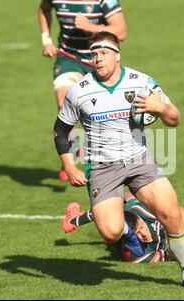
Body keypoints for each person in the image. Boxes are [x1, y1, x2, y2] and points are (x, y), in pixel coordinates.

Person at [53, 31, 184, 289]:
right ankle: (126, 225)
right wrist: (69, 165)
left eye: (103, 54)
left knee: (172, 214)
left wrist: (162, 108)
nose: (97, 59)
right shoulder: (78, 91)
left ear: (116, 56)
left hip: (139, 160)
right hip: (102, 167)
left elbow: (174, 118)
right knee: (110, 232)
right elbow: (60, 130)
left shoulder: (142, 82)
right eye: (94, 55)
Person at [38, 0, 127, 180]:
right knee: (65, 104)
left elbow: (121, 31)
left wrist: (90, 27)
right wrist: (46, 39)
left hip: (100, 60)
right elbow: (44, 9)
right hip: (68, 57)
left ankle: (108, 161)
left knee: (101, 114)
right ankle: (69, 162)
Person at [61, 192, 184, 264]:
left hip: (131, 214)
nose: (143, 235)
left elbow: (125, 198)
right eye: (137, 234)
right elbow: (175, 254)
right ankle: (108, 235)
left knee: (183, 213)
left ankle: (75, 220)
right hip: (130, 240)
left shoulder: (140, 209)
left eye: (141, 228)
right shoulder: (138, 256)